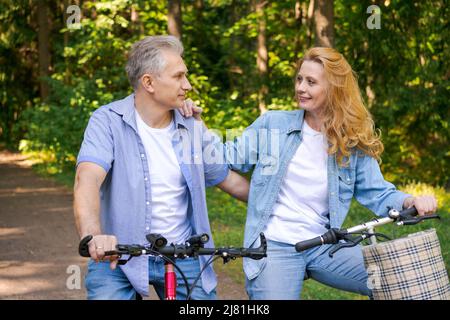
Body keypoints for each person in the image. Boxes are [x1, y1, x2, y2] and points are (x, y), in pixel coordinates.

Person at [182, 47, 438, 300]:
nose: (300, 87)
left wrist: (408, 201)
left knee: (401, 278)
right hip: (275, 246)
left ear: (335, 89)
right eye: (299, 79)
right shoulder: (274, 125)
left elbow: (378, 192)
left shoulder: (351, 141)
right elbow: (226, 156)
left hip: (325, 245)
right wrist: (196, 123)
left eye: (311, 82)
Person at [73, 35, 250, 300]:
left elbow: (226, 179)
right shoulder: (107, 121)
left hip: (184, 255)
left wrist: (283, 202)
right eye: (178, 77)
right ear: (148, 82)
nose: (187, 85)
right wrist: (93, 236)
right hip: (119, 254)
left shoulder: (191, 125)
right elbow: (86, 180)